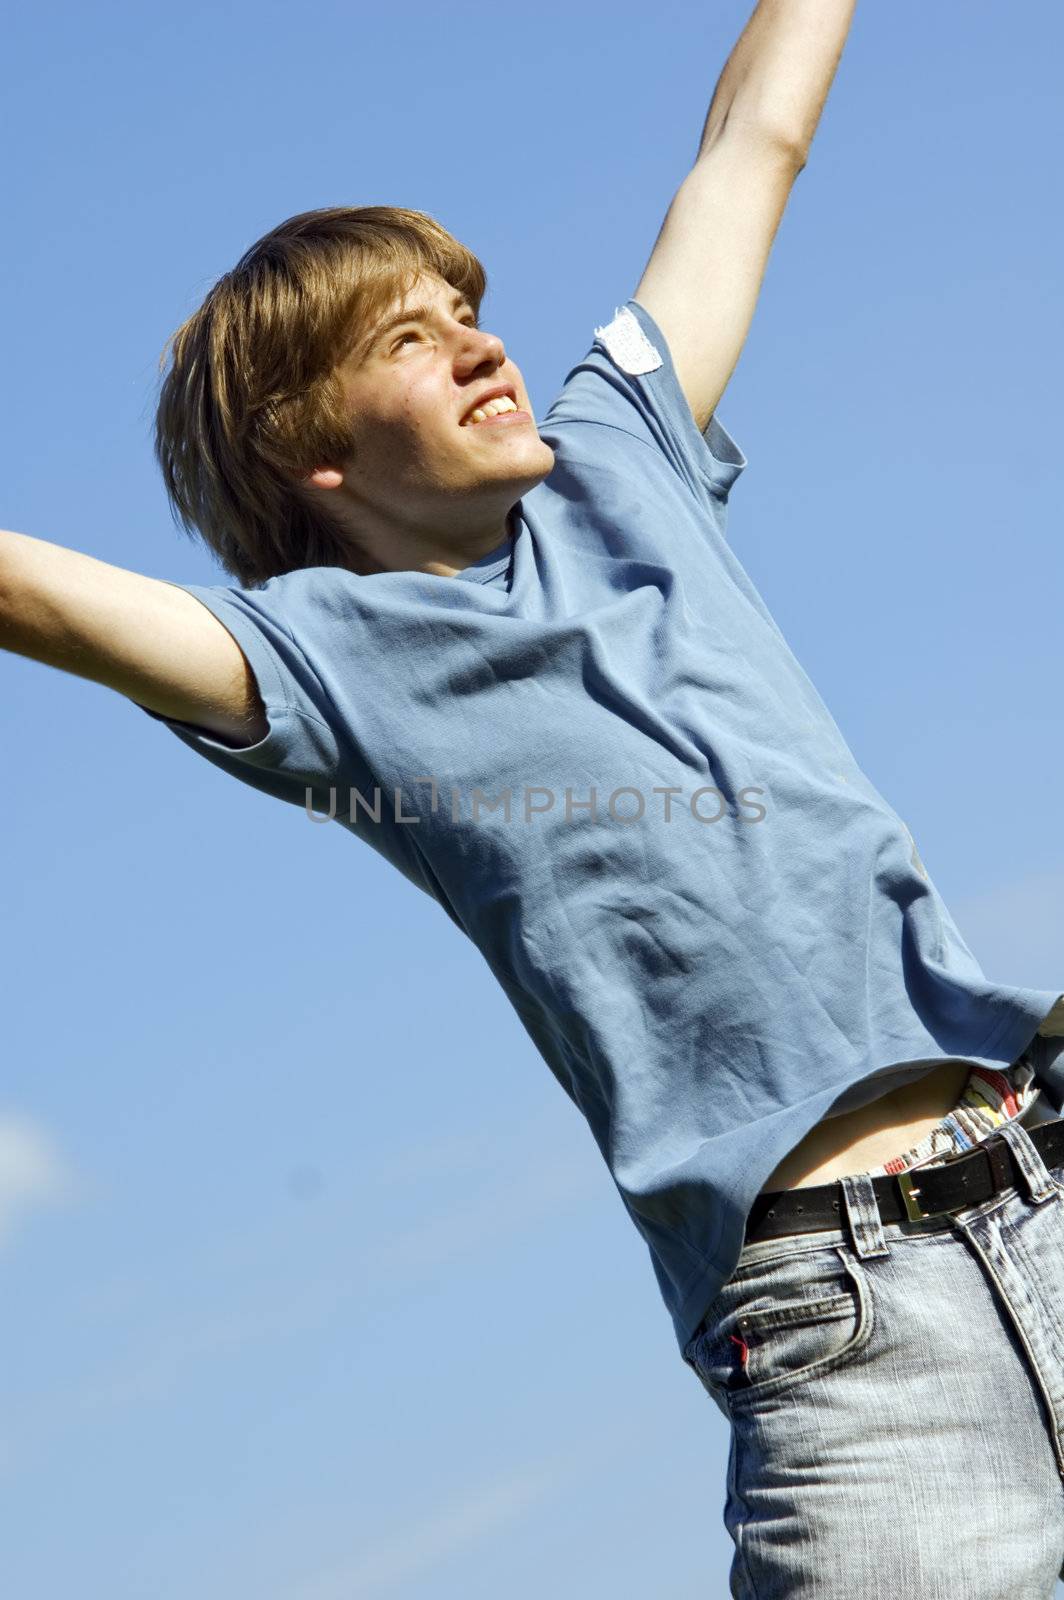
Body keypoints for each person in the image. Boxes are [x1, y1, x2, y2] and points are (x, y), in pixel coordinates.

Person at [4, 1, 1064, 1591]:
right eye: (404, 341)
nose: (478, 340)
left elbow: (750, 146)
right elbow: (42, 600)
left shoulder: (624, 456)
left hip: (1041, 1159)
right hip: (851, 1338)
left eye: (465, 306)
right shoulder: (321, 668)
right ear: (315, 456)